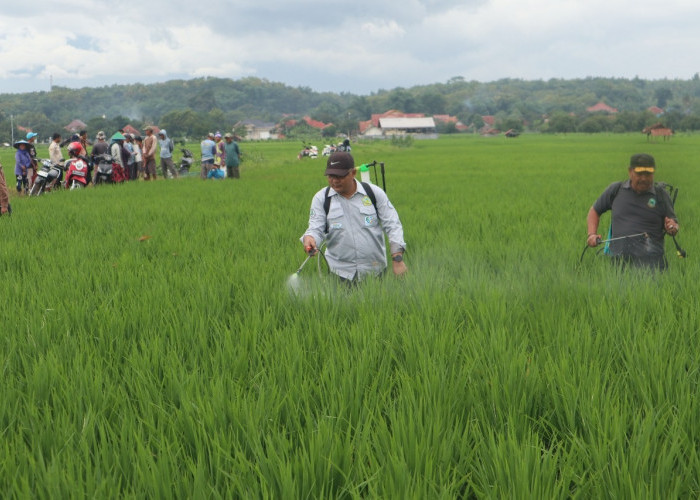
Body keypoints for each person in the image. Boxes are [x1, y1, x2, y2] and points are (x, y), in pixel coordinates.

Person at [301, 151, 407, 282]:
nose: (334, 181)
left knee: (379, 302)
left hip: (375, 270)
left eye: (339, 176)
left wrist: (397, 259)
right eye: (330, 176)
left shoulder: (373, 193)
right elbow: (316, 227)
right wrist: (310, 238)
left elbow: (392, 224)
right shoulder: (321, 198)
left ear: (353, 173)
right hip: (339, 273)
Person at [586, 153, 679, 270]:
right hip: (618, 264)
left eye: (648, 174)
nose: (644, 178)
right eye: (639, 174)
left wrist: (672, 227)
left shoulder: (661, 195)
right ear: (630, 171)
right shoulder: (616, 190)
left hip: (652, 265)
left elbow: (673, 224)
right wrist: (592, 234)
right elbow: (594, 211)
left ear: (653, 172)